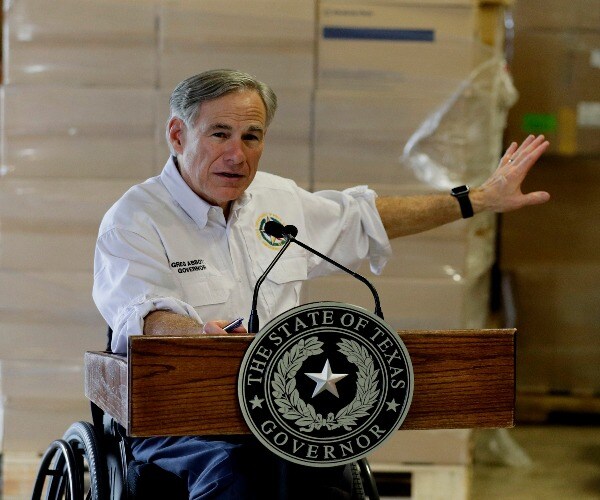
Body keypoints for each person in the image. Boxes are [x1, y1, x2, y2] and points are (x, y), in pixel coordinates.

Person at [93, 69, 549, 499]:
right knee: (240, 471)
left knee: (328, 472)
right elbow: (145, 315)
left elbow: (365, 219)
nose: (237, 154)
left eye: (251, 137)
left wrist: (478, 199)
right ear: (178, 135)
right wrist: (202, 340)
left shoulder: (276, 201)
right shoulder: (134, 219)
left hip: (280, 407)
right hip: (177, 415)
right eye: (220, 134)